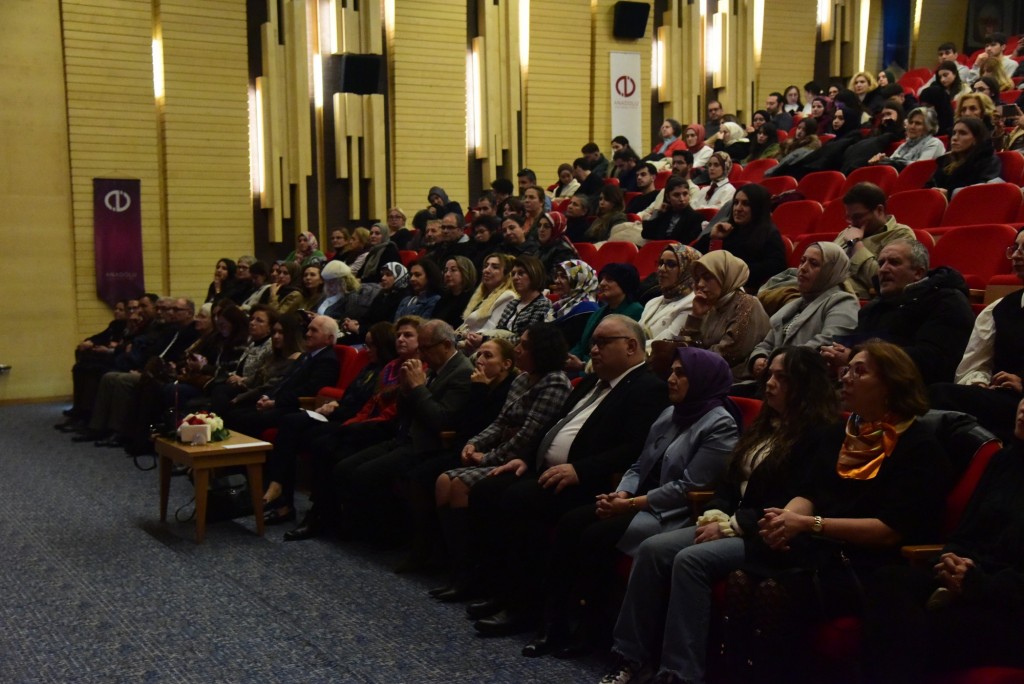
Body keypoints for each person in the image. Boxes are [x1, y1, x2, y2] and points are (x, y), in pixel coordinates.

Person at [601, 346, 840, 684]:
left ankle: (680, 673)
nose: (770, 383)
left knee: (690, 560)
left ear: (805, 384)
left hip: (766, 534)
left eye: (782, 377)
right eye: (770, 374)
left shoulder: (820, 434)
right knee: (653, 549)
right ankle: (630, 656)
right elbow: (729, 479)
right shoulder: (766, 423)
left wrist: (733, 525)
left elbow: (797, 498)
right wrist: (716, 514)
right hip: (731, 521)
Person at [755, 341, 951, 680]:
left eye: (859, 372)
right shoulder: (840, 433)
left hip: (873, 565)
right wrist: (784, 520)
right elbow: (810, 492)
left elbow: (888, 531)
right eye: (847, 370)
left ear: (890, 385)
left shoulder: (919, 448)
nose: (845, 378)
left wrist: (809, 524)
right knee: (746, 574)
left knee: (779, 590)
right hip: (822, 549)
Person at [528, 346, 741, 659]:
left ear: (702, 379)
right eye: (671, 371)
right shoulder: (670, 412)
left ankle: (592, 630)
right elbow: (639, 464)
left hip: (672, 513)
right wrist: (623, 493)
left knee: (596, 535)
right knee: (571, 522)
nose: (671, 379)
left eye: (681, 374)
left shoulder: (720, 425)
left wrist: (630, 505)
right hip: (636, 500)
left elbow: (689, 488)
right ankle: (554, 623)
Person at [468, 315, 668, 636]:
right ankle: (497, 588)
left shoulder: (648, 388)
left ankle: (524, 606)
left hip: (594, 483)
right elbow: (555, 425)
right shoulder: (592, 381)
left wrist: (580, 470)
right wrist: (525, 459)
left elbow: (634, 448)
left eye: (603, 343)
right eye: (593, 343)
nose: (594, 350)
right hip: (550, 471)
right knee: (486, 489)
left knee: (520, 500)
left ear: (631, 346)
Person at [864, 397, 1024, 682]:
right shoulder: (1004, 460)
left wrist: (979, 584)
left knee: (911, 628)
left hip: (1010, 608)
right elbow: (966, 532)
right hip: (971, 580)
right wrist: (949, 560)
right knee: (889, 580)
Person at [432, 324, 572, 600]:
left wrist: (487, 458)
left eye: (524, 345)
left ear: (542, 351)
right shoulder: (522, 379)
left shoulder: (555, 382)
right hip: (503, 451)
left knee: (459, 485)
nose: (517, 349)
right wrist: (474, 443)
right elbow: (500, 423)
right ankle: (457, 567)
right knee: (443, 481)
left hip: (522, 459)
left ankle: (471, 576)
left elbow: (528, 435)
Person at [329, 320, 474, 539]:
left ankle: (385, 535)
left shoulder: (462, 372)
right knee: (343, 467)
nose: (421, 354)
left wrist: (417, 388)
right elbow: (405, 413)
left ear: (446, 345)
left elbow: (441, 420)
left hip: (428, 445)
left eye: (425, 348)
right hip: (404, 437)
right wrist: (406, 389)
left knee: (364, 474)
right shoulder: (435, 367)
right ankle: (352, 526)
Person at [282, 318, 418, 541]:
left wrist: (356, 424)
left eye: (408, 335)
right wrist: (353, 422)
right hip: (369, 422)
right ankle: (321, 513)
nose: (401, 339)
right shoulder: (391, 367)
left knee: (330, 445)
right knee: (322, 443)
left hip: (389, 428)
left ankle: (323, 515)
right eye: (399, 335)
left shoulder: (418, 368)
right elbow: (370, 404)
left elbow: (392, 413)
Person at [260, 321, 397, 525]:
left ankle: (290, 499)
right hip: (339, 413)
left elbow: (365, 407)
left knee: (308, 436)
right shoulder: (369, 367)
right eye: (366, 345)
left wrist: (336, 408)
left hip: (351, 420)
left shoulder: (385, 372)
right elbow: (350, 395)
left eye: (371, 346)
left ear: (383, 346)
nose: (367, 350)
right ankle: (281, 494)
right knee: (291, 424)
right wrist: (335, 403)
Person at [820, 239, 975, 386]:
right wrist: (836, 357)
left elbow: (933, 361)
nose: (883, 269)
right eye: (881, 263)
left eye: (894, 262)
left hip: (913, 392)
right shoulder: (873, 308)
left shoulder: (947, 301)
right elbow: (856, 346)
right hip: (865, 385)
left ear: (918, 272)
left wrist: (855, 357)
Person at [929, 227, 1024, 443]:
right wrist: (979, 385)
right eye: (1015, 248)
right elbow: (975, 366)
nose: (1017, 255)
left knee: (939, 395)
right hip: (1004, 398)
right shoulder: (999, 308)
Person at [748, 242, 858, 377]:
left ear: (830, 271)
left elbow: (828, 343)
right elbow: (767, 343)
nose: (803, 268)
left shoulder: (843, 302)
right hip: (776, 377)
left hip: (807, 380)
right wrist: (759, 358)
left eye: (814, 264)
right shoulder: (795, 304)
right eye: (802, 261)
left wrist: (778, 360)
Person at [222, 314, 341, 437]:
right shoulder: (306, 356)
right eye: (308, 329)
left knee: (245, 419)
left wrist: (275, 402)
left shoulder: (327, 361)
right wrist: (267, 396)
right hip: (281, 402)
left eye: (314, 331)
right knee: (233, 413)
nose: (307, 334)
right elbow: (284, 381)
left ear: (329, 339)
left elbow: (309, 390)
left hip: (295, 407)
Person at [678, 251, 770, 379]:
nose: (700, 285)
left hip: (735, 381)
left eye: (707, 277)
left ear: (725, 276)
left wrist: (690, 359)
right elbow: (683, 348)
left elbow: (728, 355)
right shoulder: (710, 305)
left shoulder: (747, 304)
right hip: (705, 375)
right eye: (697, 279)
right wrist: (695, 316)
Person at [694, 183, 787, 293]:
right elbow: (694, 254)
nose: (738, 208)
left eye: (745, 204)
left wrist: (735, 270)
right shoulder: (727, 229)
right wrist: (712, 237)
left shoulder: (769, 234)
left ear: (758, 208)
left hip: (743, 291)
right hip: (714, 286)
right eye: (736, 203)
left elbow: (776, 266)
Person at [832, 182, 916, 298]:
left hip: (847, 296)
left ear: (879, 210)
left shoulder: (901, 234)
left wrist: (855, 244)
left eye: (858, 217)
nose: (852, 223)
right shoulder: (847, 232)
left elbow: (884, 278)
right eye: (849, 217)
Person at [565, 263, 644, 373]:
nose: (602, 283)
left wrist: (583, 366)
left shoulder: (636, 311)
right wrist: (569, 358)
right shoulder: (599, 312)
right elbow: (582, 344)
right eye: (602, 279)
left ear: (625, 284)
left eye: (609, 279)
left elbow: (616, 352)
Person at [463, 255, 551, 351]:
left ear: (534, 274)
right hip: (500, 349)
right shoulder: (513, 303)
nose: (515, 278)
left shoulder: (542, 304)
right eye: (513, 274)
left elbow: (526, 339)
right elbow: (498, 331)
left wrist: (485, 340)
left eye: (521, 273)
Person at [639, 244, 702, 349]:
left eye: (671, 264)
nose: (662, 269)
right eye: (661, 263)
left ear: (688, 269)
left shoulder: (692, 304)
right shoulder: (652, 302)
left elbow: (664, 343)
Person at [928, 116, 1002, 197]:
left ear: (976, 139)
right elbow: (928, 188)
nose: (955, 138)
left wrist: (949, 195)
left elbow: (983, 193)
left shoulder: (988, 161)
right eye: (954, 133)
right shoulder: (945, 162)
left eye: (963, 133)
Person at [456, 253, 517, 344]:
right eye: (486, 266)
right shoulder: (482, 296)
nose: (486, 270)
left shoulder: (508, 296)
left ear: (506, 274)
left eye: (495, 267)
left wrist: (461, 339)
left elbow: (490, 329)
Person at [869, 106, 946, 171]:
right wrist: (880, 161)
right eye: (910, 122)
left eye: (918, 123)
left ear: (928, 127)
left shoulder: (934, 143)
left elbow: (919, 168)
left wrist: (891, 162)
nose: (912, 126)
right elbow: (891, 165)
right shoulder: (904, 145)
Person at [640, 176, 704, 244]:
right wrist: (658, 213)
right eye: (676, 195)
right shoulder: (664, 214)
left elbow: (688, 244)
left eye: (685, 194)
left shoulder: (696, 218)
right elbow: (646, 234)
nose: (682, 199)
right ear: (668, 197)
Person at [434, 256, 476, 328]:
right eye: (445, 270)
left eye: (453, 270)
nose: (447, 274)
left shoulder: (473, 299)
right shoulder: (443, 299)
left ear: (465, 272)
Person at [535, 211, 578, 276]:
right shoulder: (540, 246)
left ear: (556, 228)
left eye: (546, 226)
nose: (541, 229)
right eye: (539, 225)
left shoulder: (565, 252)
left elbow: (557, 277)